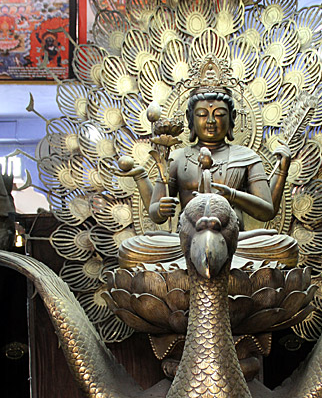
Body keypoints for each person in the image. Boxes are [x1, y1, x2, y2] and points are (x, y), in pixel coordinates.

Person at [118, 86, 298, 269]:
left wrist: (235, 194)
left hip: (234, 243)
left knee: (285, 246)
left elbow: (267, 210)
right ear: (190, 119)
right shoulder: (177, 158)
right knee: (130, 249)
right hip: (185, 244)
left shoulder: (246, 156)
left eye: (219, 114)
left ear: (232, 118)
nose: (211, 121)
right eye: (202, 114)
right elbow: (156, 215)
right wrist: (158, 204)